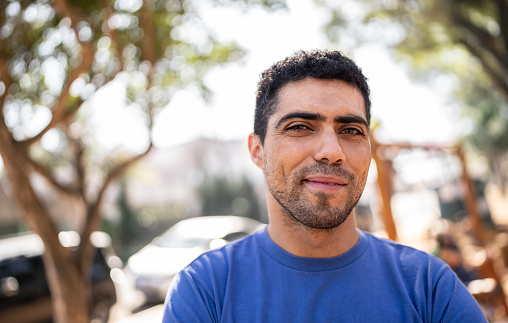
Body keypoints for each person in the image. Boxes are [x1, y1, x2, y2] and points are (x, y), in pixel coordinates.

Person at [162, 50, 487, 322]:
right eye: (300, 127)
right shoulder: (206, 290)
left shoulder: (428, 286)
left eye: (351, 131)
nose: (332, 151)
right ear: (257, 151)